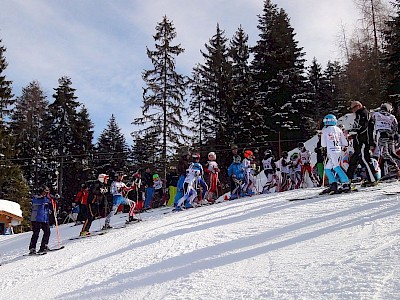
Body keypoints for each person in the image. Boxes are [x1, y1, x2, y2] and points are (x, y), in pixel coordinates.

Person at [346, 100, 377, 186]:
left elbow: (363, 127)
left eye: (353, 108)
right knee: (354, 160)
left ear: (358, 106)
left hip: (364, 141)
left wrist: (351, 131)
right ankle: (347, 180)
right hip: (359, 141)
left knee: (365, 159)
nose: (352, 110)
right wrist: (352, 135)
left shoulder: (364, 113)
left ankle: (373, 179)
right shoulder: (358, 115)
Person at [320, 114, 351, 194]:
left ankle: (346, 183)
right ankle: (333, 184)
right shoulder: (338, 129)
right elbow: (345, 142)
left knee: (336, 166)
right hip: (338, 150)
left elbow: (323, 144)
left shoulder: (325, 130)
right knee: (327, 168)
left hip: (331, 151)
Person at [371, 102, 400, 178]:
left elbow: (370, 122)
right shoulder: (392, 116)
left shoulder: (376, 114)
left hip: (381, 135)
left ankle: (394, 169)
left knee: (384, 153)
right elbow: (396, 127)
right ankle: (396, 168)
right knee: (392, 153)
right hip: (391, 135)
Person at [29, 185, 52, 254]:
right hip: (36, 218)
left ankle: (43, 246)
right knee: (36, 233)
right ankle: (32, 248)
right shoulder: (36, 197)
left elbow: (49, 205)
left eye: (47, 192)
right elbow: (40, 202)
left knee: (47, 231)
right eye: (45, 192)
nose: (46, 194)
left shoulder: (46, 198)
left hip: (44, 218)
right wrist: (47, 199)